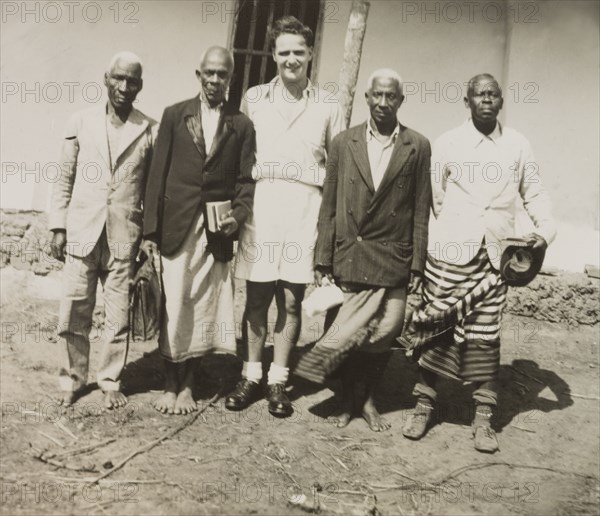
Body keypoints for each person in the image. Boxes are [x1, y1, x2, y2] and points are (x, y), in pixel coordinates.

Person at [400, 73, 557, 452]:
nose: (486, 99)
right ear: (466, 101)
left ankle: (483, 418)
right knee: (437, 328)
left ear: (501, 101)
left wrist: (545, 232)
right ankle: (423, 405)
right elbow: (434, 198)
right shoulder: (449, 143)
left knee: (484, 338)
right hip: (450, 254)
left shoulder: (518, 145)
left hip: (496, 258)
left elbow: (534, 193)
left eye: (492, 94)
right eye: (478, 94)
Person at [228, 16, 344, 417]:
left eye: (299, 51)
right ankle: (251, 374)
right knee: (257, 297)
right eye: (284, 52)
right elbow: (240, 158)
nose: (291, 59)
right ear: (273, 55)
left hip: (304, 207)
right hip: (263, 204)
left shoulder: (329, 104)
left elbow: (338, 166)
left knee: (292, 303)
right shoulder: (255, 98)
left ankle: (279, 379)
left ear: (310, 54)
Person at [306, 68, 432, 431]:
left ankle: (368, 399)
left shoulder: (417, 145)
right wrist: (322, 258)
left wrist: (417, 266)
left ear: (400, 101)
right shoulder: (344, 142)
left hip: (393, 257)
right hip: (352, 253)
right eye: (376, 95)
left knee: (383, 333)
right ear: (366, 98)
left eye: (390, 96)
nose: (382, 102)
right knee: (347, 334)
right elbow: (329, 205)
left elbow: (420, 209)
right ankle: (346, 400)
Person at [141, 47, 256, 415]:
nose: (214, 80)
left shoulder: (241, 125)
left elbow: (245, 181)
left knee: (205, 305)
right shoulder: (175, 115)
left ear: (230, 79)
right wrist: (150, 231)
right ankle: (169, 382)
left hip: (215, 232)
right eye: (209, 73)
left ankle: (189, 384)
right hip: (177, 226)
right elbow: (157, 174)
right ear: (198, 74)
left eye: (222, 74)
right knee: (174, 302)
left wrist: (237, 217)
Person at [49, 51, 157, 409]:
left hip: (124, 236)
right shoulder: (80, 121)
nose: (125, 87)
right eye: (119, 79)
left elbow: (152, 189)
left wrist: (148, 237)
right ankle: (72, 379)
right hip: (82, 230)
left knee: (118, 316)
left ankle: (110, 379)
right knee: (74, 311)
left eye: (133, 81)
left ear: (140, 86)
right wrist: (58, 226)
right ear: (106, 79)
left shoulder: (148, 129)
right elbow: (64, 178)